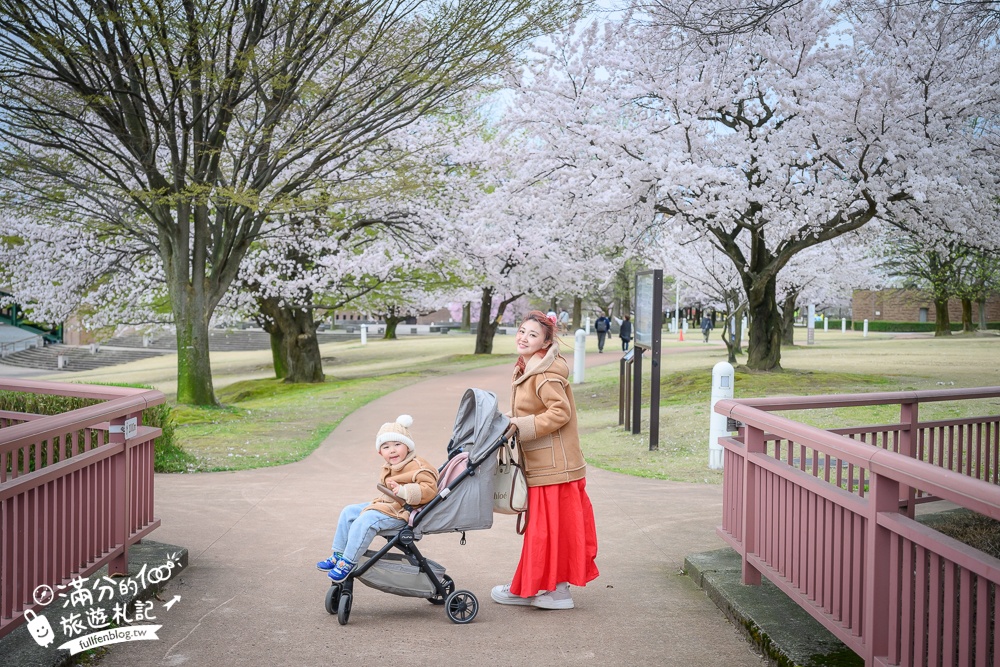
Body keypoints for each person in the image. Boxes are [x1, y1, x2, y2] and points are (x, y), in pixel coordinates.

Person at [491, 310, 599, 610]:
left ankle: (557, 591)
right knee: (545, 530)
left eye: (533, 334)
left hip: (555, 465)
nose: (524, 337)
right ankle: (532, 586)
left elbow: (560, 412)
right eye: (522, 331)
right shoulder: (528, 368)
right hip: (544, 461)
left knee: (551, 530)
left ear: (546, 341)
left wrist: (520, 426)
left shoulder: (544, 373)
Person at [316, 415, 439, 582]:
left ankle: (349, 561)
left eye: (397, 444)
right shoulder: (392, 465)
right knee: (349, 511)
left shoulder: (418, 466)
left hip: (403, 514)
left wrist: (404, 491)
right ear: (380, 452)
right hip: (387, 507)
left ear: (408, 447)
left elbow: (430, 490)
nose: (392, 450)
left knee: (366, 519)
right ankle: (339, 554)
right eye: (386, 447)